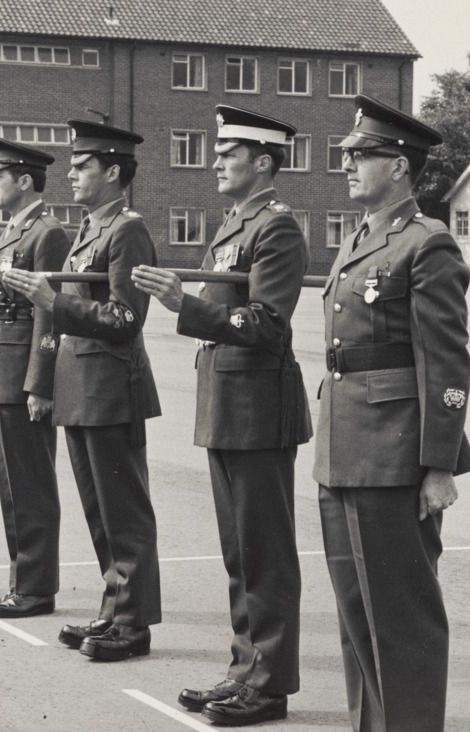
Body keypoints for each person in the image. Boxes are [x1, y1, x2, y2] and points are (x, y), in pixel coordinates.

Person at [132, 106, 310, 725]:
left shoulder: (276, 228)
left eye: (227, 154)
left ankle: (268, 685)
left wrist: (184, 304)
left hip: (259, 407)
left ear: (262, 162)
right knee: (240, 553)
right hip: (229, 404)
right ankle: (244, 670)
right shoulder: (234, 223)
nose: (214, 163)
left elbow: (265, 323)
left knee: (264, 553)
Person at [315, 94, 470, 731]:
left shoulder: (426, 244)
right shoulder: (360, 236)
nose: (347, 164)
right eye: (348, 154)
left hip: (392, 453)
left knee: (399, 621)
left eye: (362, 154)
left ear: (401, 165)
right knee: (357, 617)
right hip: (344, 448)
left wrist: (439, 465)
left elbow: (446, 363)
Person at [2, 120, 163, 662]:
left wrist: (54, 301)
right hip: (82, 385)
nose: (69, 174)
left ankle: (133, 624)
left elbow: (124, 317)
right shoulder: (91, 229)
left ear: (112, 172)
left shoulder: (127, 230)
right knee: (100, 511)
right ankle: (114, 609)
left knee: (124, 512)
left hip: (111, 386)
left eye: (81, 167)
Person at [0, 138, 69, 620]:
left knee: (30, 483)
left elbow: (48, 314)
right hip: (1, 366)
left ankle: (35, 588)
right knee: (13, 484)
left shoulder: (46, 233)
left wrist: (40, 381)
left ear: (25, 181)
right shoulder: (13, 232)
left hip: (21, 373)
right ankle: (23, 583)